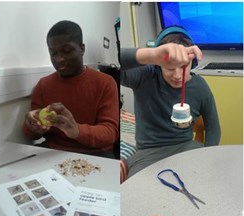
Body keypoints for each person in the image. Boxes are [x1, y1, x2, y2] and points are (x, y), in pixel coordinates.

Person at [120, 26, 221, 177]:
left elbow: (213, 128)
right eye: (170, 67)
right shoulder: (144, 77)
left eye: (183, 67)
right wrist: (151, 54)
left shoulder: (200, 86)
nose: (178, 75)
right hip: (147, 154)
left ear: (192, 64)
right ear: (158, 64)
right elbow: (113, 62)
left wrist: (208, 155)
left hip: (187, 148)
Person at [22, 20, 119, 158]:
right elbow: (31, 134)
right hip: (53, 150)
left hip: (97, 153)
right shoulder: (44, 85)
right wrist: (31, 125)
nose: (59, 59)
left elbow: (110, 133)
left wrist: (77, 130)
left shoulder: (105, 83)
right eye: (53, 53)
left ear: (82, 48)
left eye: (66, 51)